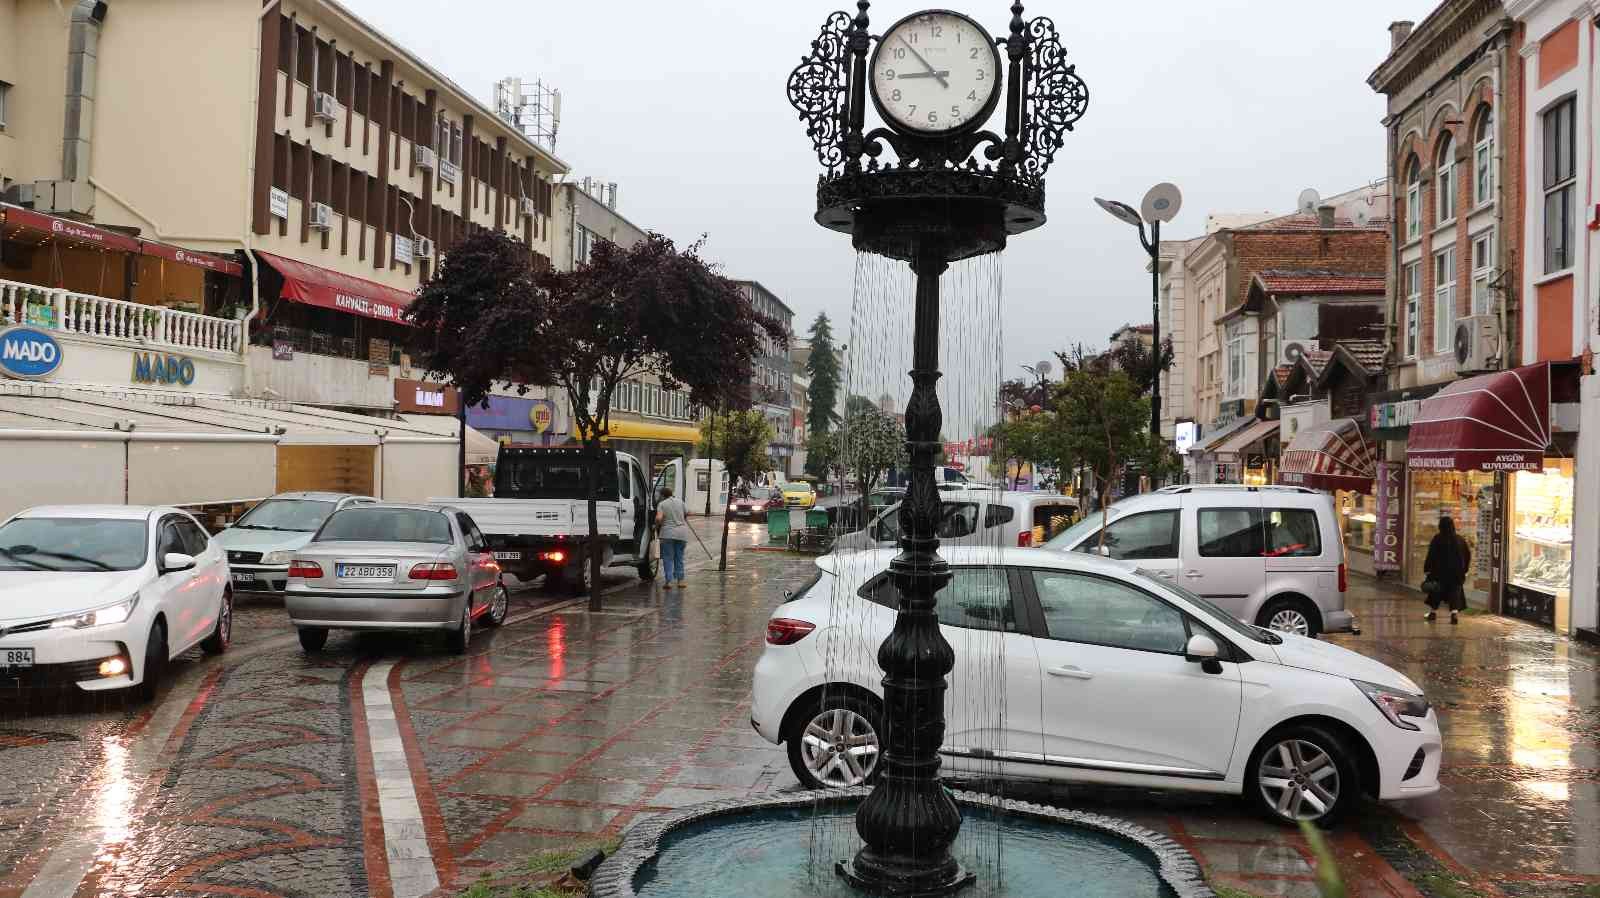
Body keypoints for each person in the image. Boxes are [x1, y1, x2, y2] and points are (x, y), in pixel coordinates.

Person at [1423, 516, 1471, 624]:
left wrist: (1427, 569)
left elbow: (1431, 555)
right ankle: (1454, 614)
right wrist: (1465, 570)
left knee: (1436, 593)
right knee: (1455, 593)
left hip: (1439, 573)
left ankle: (1432, 613)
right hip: (1456, 574)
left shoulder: (1437, 538)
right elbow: (1467, 555)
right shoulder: (1460, 539)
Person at [655, 486, 690, 589]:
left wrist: (656, 525)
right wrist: (682, 517)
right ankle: (680, 581)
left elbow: (659, 518)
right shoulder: (680, 502)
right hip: (681, 534)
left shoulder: (662, 504)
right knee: (679, 558)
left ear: (662, 495)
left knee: (668, 558)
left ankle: (669, 581)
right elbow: (688, 512)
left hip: (667, 534)